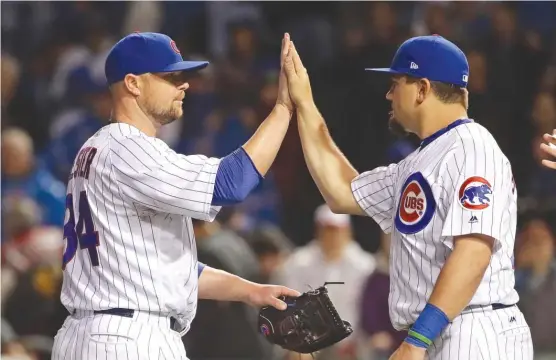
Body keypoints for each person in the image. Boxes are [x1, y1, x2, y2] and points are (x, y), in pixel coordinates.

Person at [51, 32, 300, 360]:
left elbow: (169, 270)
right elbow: (230, 183)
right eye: (171, 77)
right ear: (133, 84)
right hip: (127, 339)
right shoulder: (129, 148)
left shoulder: (98, 148)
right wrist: (282, 109)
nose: (184, 85)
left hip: (100, 333)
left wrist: (251, 292)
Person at [282, 35, 533, 360]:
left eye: (395, 83)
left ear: (423, 89)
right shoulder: (420, 161)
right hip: (444, 330)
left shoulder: (472, 148)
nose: (388, 94)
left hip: (473, 329)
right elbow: (341, 191)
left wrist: (417, 338)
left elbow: (473, 252)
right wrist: (305, 104)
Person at [272, 204, 375, 360]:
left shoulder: (365, 266)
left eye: (337, 230)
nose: (333, 236)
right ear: (318, 230)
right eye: (328, 230)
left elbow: (370, 311)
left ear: (347, 231)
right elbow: (288, 306)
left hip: (351, 345)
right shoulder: (297, 263)